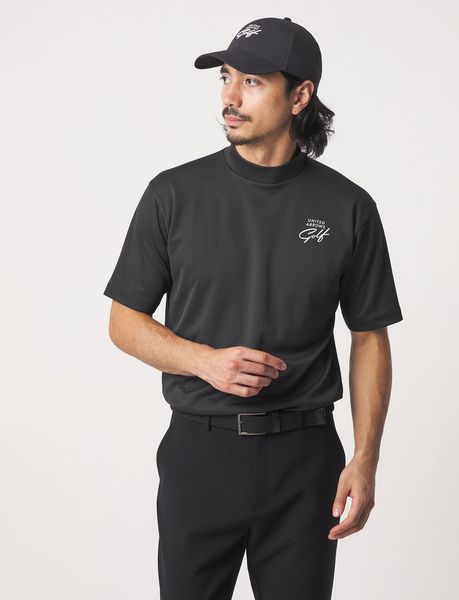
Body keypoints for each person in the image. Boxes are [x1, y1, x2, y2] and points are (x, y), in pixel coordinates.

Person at [103, 15, 403, 600]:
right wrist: (204, 362)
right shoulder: (173, 194)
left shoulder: (348, 207)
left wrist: (366, 459)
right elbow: (123, 321)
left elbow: (369, 336)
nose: (230, 97)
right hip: (200, 451)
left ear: (300, 96)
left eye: (253, 82)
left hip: (305, 460)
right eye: (225, 77)